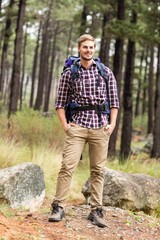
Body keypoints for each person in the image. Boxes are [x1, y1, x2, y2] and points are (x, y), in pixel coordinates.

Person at [48, 34, 119, 228]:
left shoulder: (105, 72)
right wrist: (65, 126)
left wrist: (111, 125)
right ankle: (59, 207)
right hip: (77, 126)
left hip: (100, 127)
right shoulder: (70, 73)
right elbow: (60, 103)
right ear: (79, 48)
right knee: (67, 166)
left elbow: (114, 102)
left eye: (91, 47)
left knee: (98, 170)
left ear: (94, 49)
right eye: (85, 47)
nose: (88, 50)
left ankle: (96, 211)